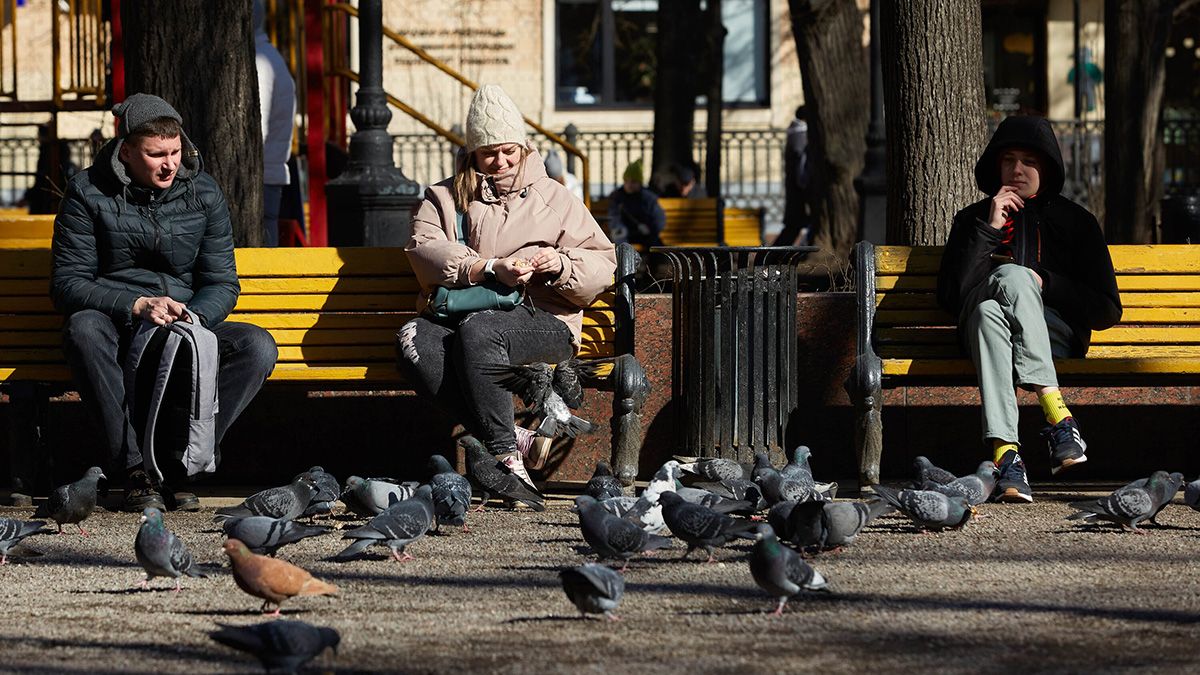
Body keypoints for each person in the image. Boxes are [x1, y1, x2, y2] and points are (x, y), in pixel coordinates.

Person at [51, 93, 279, 512]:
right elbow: (68, 284)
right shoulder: (86, 192)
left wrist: (193, 317)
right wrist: (135, 305)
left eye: (175, 152)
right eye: (156, 154)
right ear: (127, 152)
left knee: (256, 346)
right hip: (116, 319)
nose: (170, 164)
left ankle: (177, 462)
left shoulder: (203, 193)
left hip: (182, 322)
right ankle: (133, 468)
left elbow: (222, 282)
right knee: (82, 328)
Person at [397, 85, 616, 486]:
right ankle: (513, 439)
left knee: (480, 331)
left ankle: (506, 462)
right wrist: (489, 268)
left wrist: (561, 265)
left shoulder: (556, 198)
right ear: (472, 153)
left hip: (545, 319)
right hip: (461, 313)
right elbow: (423, 252)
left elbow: (603, 264)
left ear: (524, 147)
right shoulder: (442, 198)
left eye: (509, 150)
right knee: (412, 341)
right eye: (489, 152)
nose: (500, 161)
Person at [936, 115, 1122, 503]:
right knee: (1000, 295)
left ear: (1048, 167)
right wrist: (988, 229)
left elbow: (1106, 310)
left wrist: (1047, 283)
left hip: (1053, 337)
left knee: (1000, 306)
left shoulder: (1076, 222)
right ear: (996, 166)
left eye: (1029, 161)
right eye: (1008, 160)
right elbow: (951, 300)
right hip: (977, 336)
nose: (1017, 170)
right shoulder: (972, 219)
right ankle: (1058, 417)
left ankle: (1006, 458)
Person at [253, 0, 297, 247]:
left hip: (262, 177)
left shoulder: (260, 63)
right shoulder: (270, 58)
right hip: (269, 173)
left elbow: (256, 130)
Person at [607, 158, 666, 249]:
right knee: (621, 246)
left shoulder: (647, 197)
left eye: (633, 182)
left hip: (643, 233)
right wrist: (619, 229)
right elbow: (613, 216)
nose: (629, 185)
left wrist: (650, 229)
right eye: (626, 181)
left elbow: (658, 218)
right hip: (624, 234)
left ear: (640, 182)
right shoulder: (618, 197)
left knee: (656, 244)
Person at [21, 123, 78, 215]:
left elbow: (42, 178)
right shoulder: (61, 151)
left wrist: (28, 196)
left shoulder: (47, 152)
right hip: (58, 193)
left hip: (46, 197)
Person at [775, 106, 809, 246]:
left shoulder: (795, 132)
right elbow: (799, 158)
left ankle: (774, 254)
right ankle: (773, 255)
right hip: (798, 187)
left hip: (795, 186)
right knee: (795, 224)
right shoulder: (799, 134)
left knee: (795, 224)